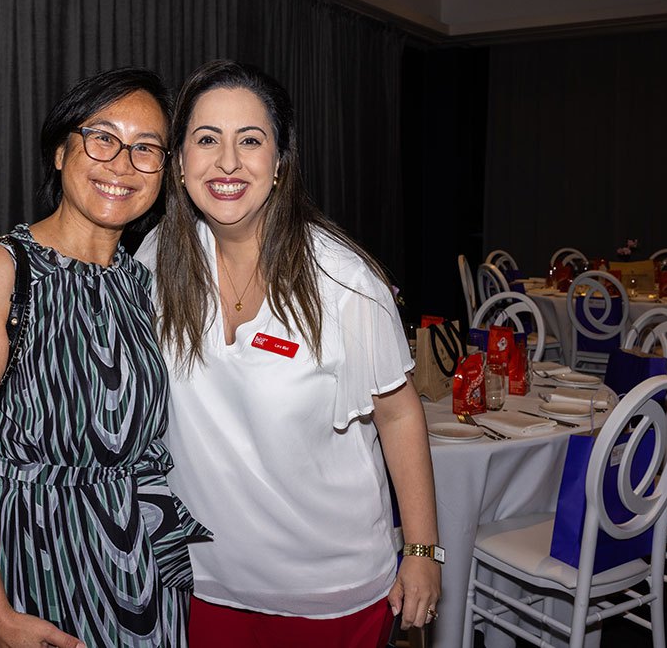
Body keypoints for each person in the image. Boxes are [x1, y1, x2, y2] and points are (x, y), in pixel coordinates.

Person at [135, 60, 441, 647]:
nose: (228, 162)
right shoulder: (158, 259)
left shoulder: (345, 282)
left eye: (250, 140)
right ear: (179, 163)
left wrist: (423, 550)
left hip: (330, 593)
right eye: (207, 139)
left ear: (279, 163)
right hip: (200, 582)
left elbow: (400, 414)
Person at [0, 67, 208, 648]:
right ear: (60, 152)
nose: (122, 164)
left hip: (139, 563)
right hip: (35, 560)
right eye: (102, 138)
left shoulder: (141, 282)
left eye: (146, 148)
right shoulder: (3, 272)